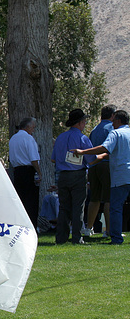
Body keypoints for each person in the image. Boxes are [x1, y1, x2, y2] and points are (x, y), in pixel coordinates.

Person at [72, 109, 130, 245]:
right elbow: (112, 152)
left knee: (115, 207)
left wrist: (83, 152)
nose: (112, 123)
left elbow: (105, 148)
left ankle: (116, 238)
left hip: (120, 175)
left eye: (114, 120)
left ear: (118, 121)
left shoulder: (115, 133)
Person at [51, 109, 94, 245]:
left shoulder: (60, 138)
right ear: (80, 123)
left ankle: (61, 238)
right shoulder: (83, 138)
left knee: (64, 207)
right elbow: (91, 160)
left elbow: (53, 159)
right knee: (78, 207)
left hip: (63, 175)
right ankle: (76, 237)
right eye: (84, 121)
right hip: (78, 175)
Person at [82, 104, 116, 237]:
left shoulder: (95, 130)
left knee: (94, 198)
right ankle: (108, 231)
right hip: (106, 164)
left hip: (93, 165)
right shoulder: (112, 129)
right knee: (108, 199)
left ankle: (89, 228)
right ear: (112, 115)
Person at [9, 117, 42, 230]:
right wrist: (39, 172)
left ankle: (20, 227)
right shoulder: (28, 138)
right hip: (28, 171)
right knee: (31, 201)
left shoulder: (13, 138)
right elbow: (33, 159)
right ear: (27, 127)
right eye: (32, 127)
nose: (33, 129)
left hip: (17, 171)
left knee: (21, 200)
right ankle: (31, 227)